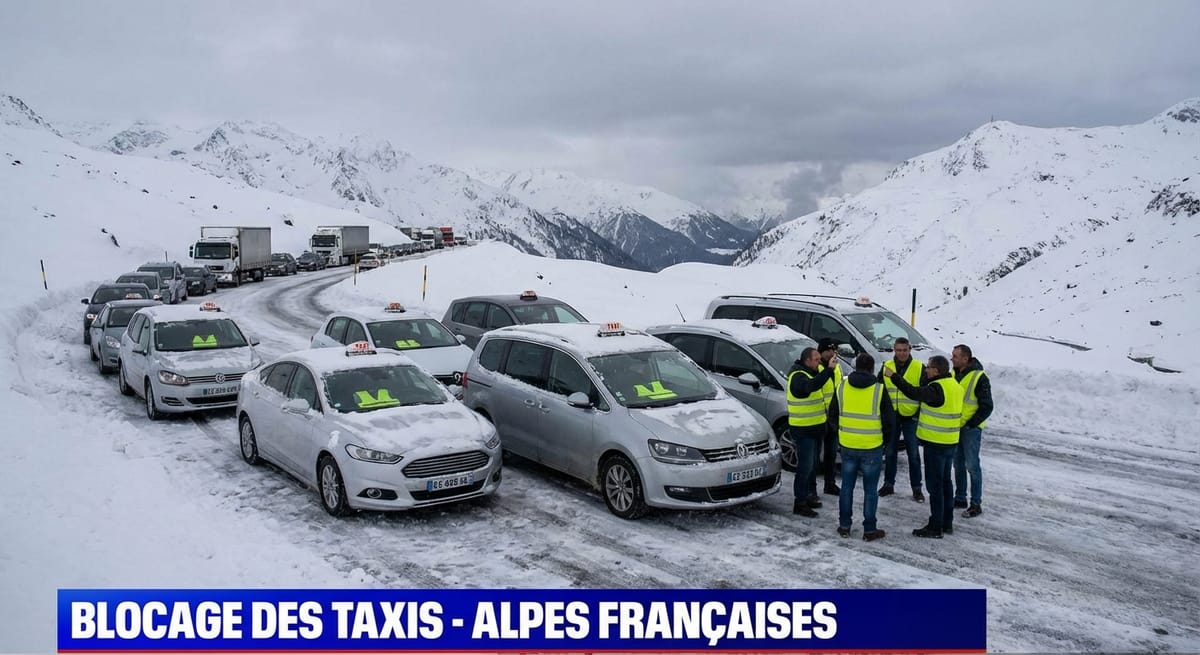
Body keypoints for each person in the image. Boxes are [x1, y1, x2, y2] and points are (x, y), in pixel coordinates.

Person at [884, 355, 963, 538]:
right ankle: (946, 522)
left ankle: (935, 526)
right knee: (945, 483)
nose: (926, 370)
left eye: (929, 367)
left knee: (935, 487)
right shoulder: (955, 386)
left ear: (937, 370)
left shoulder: (936, 388)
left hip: (936, 444)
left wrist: (894, 376)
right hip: (950, 441)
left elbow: (913, 392)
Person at [829, 353, 895, 541]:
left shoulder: (842, 387)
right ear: (872, 368)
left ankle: (844, 526)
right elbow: (890, 422)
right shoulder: (879, 390)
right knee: (870, 490)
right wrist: (885, 442)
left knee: (847, 487)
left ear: (856, 367)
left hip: (848, 445)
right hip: (872, 446)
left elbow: (832, 415)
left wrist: (842, 433)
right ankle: (869, 529)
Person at [786, 347, 838, 517]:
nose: (819, 362)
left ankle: (808, 496)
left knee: (812, 466)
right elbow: (811, 387)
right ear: (807, 360)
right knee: (805, 467)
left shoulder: (811, 372)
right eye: (816, 359)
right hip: (803, 430)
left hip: (815, 429)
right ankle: (799, 502)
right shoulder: (798, 377)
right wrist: (828, 370)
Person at [878, 337, 925, 502]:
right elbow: (879, 390)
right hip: (892, 416)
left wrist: (918, 413)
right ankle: (888, 484)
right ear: (894, 350)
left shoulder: (919, 367)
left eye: (904, 350)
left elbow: (923, 392)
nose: (902, 353)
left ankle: (917, 488)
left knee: (913, 454)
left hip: (910, 416)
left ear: (909, 350)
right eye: (898, 350)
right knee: (890, 452)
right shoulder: (886, 367)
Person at [952, 344, 993, 518]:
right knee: (958, 464)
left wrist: (971, 424)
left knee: (972, 466)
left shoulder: (979, 378)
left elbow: (987, 406)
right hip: (956, 427)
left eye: (955, 356)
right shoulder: (953, 374)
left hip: (970, 430)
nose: (952, 358)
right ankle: (960, 497)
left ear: (965, 359)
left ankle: (976, 503)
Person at [816, 338, 843, 496]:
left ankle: (830, 483)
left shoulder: (837, 367)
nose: (832, 354)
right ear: (821, 351)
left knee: (831, 453)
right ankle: (812, 488)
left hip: (833, 417)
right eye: (828, 351)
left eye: (834, 351)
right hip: (819, 416)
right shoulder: (816, 367)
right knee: (815, 454)